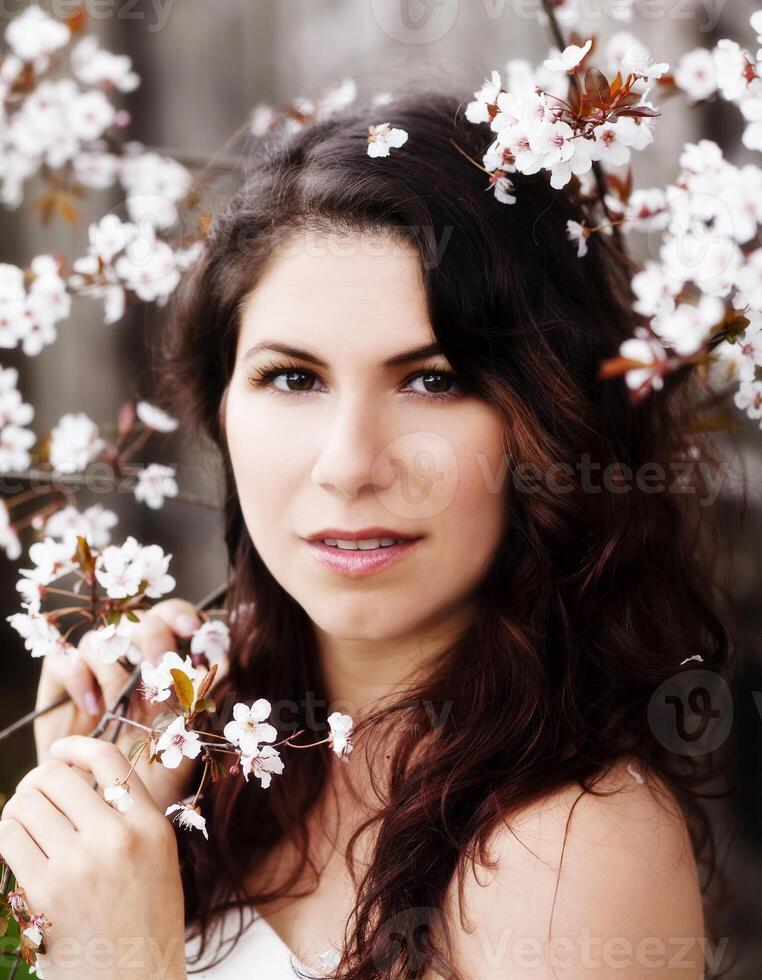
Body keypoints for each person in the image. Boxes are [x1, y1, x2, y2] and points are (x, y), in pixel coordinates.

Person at [12, 87, 734, 979]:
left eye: (431, 381)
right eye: (292, 378)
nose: (350, 465)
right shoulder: (212, 767)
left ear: (543, 426)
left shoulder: (572, 853)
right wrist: (97, 837)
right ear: (221, 411)